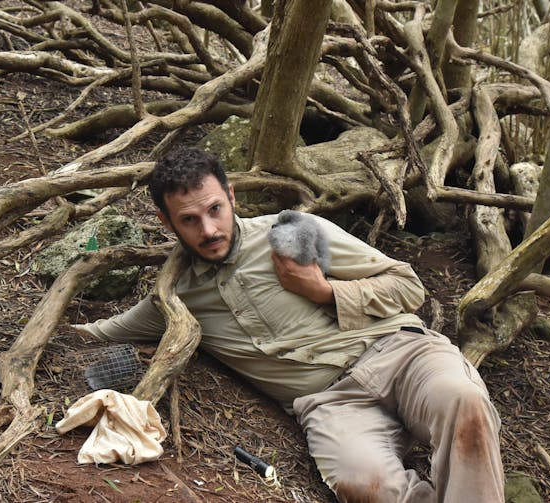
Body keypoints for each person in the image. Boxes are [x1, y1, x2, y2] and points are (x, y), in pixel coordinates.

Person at [76, 147, 504, 502]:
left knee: (462, 401)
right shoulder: (176, 296)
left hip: (402, 355)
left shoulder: (293, 232)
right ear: (165, 222)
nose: (208, 229)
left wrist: (324, 291)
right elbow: (105, 332)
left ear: (231, 196)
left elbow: (408, 286)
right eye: (189, 219)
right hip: (332, 405)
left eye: (214, 209)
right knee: (364, 483)